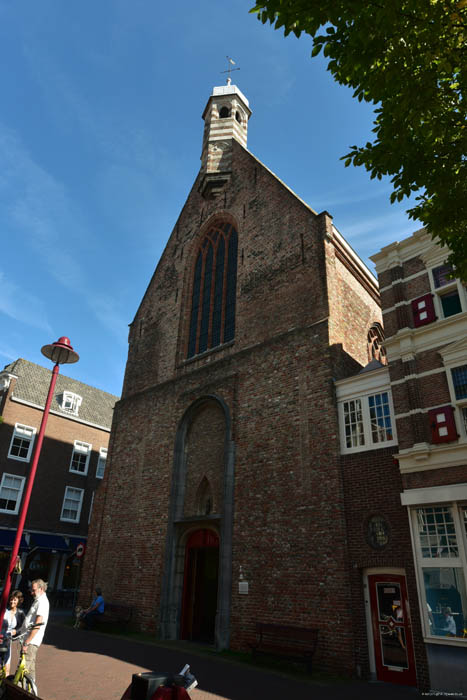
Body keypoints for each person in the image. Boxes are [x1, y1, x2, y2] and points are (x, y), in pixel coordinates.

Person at [19, 579, 50, 685]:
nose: (31, 593)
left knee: (22, 669)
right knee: (30, 669)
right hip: (30, 639)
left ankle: (19, 691)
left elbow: (38, 624)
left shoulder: (42, 602)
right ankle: (31, 690)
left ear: (41, 589)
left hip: (32, 641)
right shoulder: (39, 600)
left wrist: (27, 641)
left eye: (34, 590)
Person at [2, 590, 25, 674]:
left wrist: (15, 631)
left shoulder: (20, 613)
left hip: (8, 640)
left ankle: (5, 683)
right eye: (11, 599)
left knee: (7, 664)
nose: (12, 601)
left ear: (19, 600)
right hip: (1, 637)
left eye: (15, 600)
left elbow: (22, 627)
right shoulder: (4, 610)